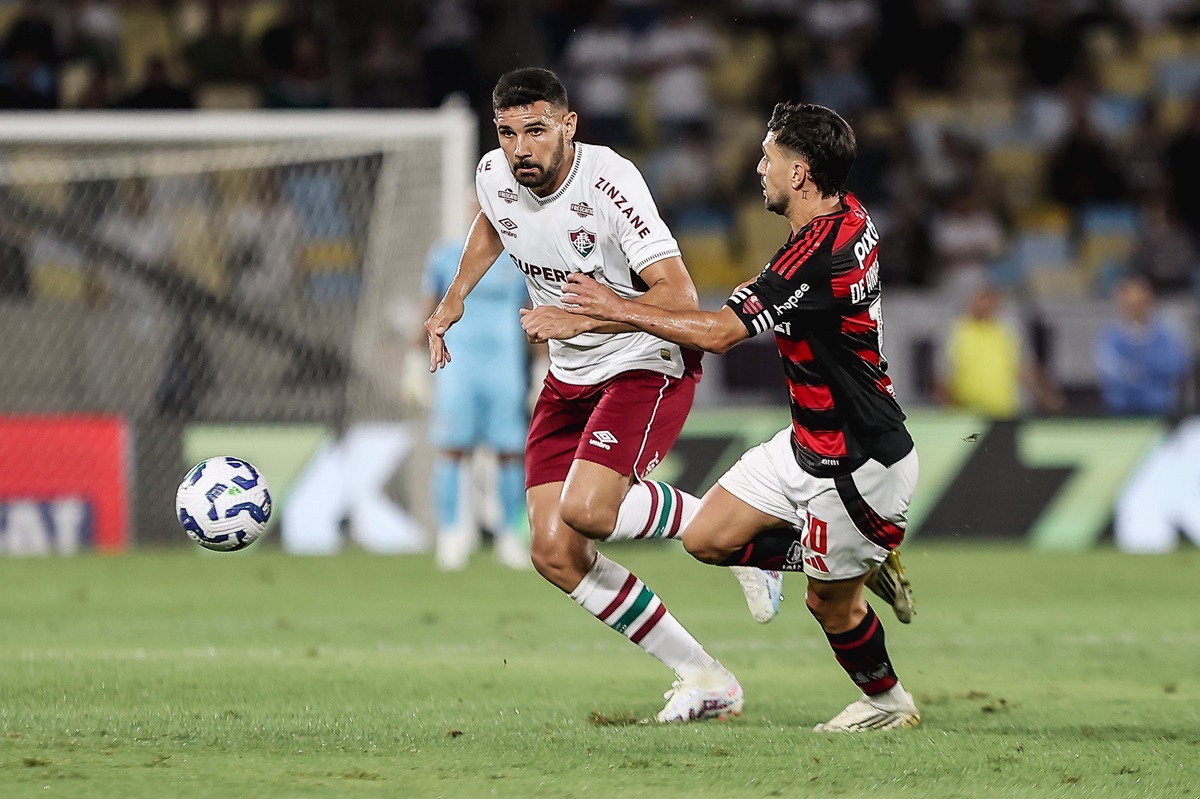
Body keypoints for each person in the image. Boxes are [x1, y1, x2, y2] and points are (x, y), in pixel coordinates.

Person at [562, 101, 921, 732]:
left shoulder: (814, 258)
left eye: (770, 157)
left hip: (859, 464)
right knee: (709, 539)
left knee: (829, 605)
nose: (759, 167)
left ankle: (889, 703)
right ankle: (851, 560)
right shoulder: (851, 215)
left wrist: (614, 308)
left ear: (802, 174)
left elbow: (720, 334)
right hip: (809, 440)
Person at [425, 67, 762, 723]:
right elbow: (493, 224)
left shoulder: (610, 181)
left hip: (645, 359)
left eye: (536, 130)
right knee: (553, 549)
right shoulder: (495, 173)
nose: (520, 148)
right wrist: (454, 298)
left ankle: (744, 530)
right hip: (570, 372)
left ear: (569, 125)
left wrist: (587, 316)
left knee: (589, 508)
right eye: (508, 132)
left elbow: (680, 298)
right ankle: (704, 676)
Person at [420, 214, 532, 571]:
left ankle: (509, 535)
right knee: (452, 448)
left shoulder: (519, 256)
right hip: (457, 367)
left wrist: (544, 365)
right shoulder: (444, 255)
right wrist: (413, 356)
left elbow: (532, 312)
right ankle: (451, 534)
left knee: (510, 452)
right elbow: (429, 307)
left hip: (505, 367)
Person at [935, 283, 1064, 419]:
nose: (985, 306)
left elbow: (1025, 367)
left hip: (1005, 412)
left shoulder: (1007, 330)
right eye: (981, 300)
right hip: (966, 412)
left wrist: (1048, 397)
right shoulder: (957, 330)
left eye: (989, 300)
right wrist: (946, 407)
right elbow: (944, 373)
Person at [1095, 275, 1190, 416]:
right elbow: (1111, 370)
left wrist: (1142, 369)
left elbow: (1176, 365)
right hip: (1120, 412)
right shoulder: (1112, 337)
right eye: (1130, 304)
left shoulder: (1166, 336)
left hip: (1159, 410)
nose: (1135, 308)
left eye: (1140, 302)